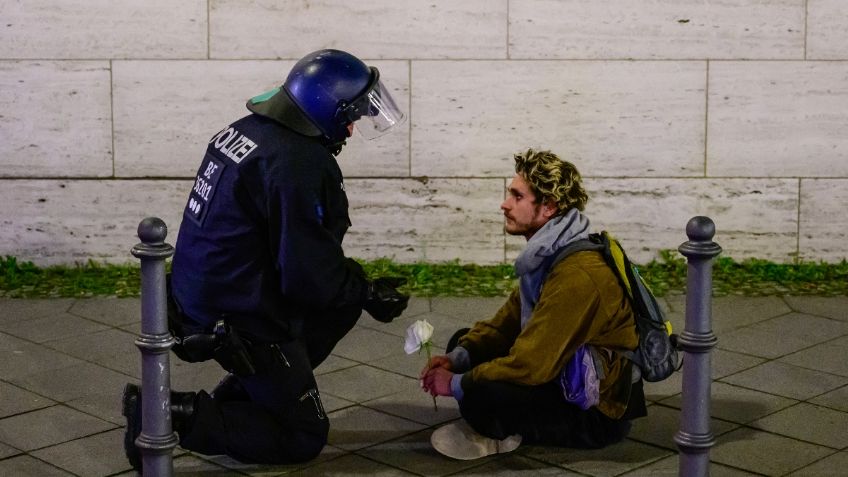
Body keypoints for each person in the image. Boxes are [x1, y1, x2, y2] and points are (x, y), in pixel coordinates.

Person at [122, 49, 410, 469]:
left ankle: (257, 389)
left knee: (341, 302)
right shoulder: (299, 161)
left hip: (202, 292)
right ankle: (165, 414)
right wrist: (365, 290)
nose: (351, 128)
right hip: (238, 312)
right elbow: (307, 274)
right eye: (350, 116)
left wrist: (355, 292)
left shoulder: (250, 131)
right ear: (323, 108)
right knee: (302, 436)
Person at [421, 148, 647, 460]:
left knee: (480, 391)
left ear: (549, 207)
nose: (504, 204)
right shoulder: (551, 255)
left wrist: (457, 384)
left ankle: (501, 434)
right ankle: (497, 419)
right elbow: (505, 325)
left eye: (516, 196)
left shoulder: (578, 274)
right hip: (561, 378)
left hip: (596, 416)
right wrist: (456, 360)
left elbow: (530, 365)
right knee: (463, 342)